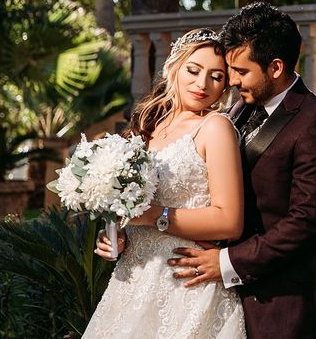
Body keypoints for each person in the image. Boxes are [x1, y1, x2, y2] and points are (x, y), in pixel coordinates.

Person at [101, 3, 316, 339]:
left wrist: (227, 262)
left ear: (275, 67)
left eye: (240, 72)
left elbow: (305, 224)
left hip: (283, 302)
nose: (230, 81)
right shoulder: (238, 109)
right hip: (211, 289)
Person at [86, 28, 247, 338]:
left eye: (216, 76)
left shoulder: (215, 127)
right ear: (173, 67)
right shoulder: (151, 125)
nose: (203, 84)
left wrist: (153, 216)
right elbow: (134, 206)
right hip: (133, 277)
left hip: (183, 282)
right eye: (194, 70)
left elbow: (229, 220)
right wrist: (118, 235)